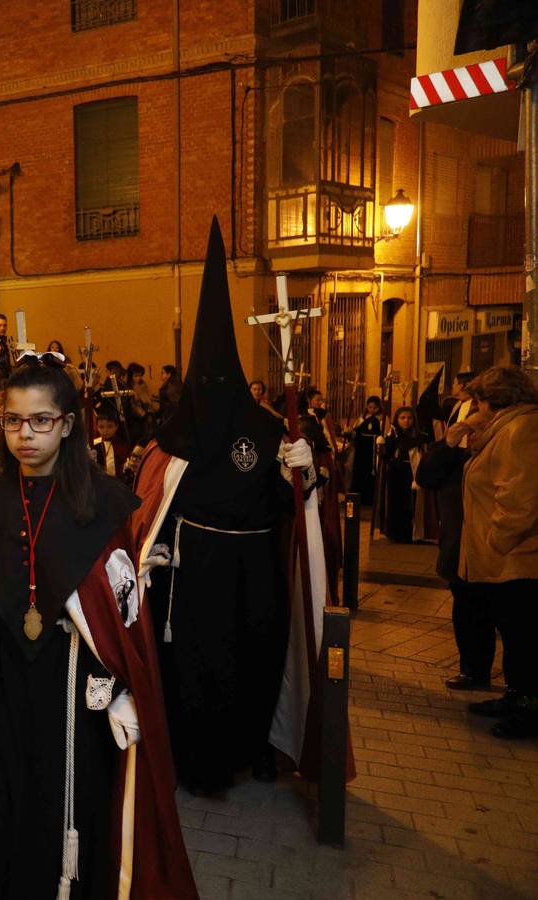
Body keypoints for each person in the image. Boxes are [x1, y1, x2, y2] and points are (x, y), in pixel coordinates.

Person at [0, 354, 196, 899]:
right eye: (14, 421)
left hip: (74, 690)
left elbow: (118, 611)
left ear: (67, 424)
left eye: (41, 420)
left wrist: (115, 686)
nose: (26, 434)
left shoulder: (104, 502)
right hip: (4, 684)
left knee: (70, 801)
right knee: (5, 797)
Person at [131, 220, 318, 792]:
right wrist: (149, 557)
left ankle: (253, 749)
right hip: (190, 579)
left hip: (255, 572)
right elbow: (149, 509)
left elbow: (293, 507)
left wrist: (304, 474)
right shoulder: (175, 435)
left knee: (255, 659)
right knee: (196, 668)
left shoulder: (265, 431)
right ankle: (197, 760)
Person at [457, 367, 538, 739]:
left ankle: (529, 708)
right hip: (502, 558)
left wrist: (494, 539)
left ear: (495, 400)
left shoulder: (522, 429)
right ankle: (516, 696)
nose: (476, 407)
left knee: (523, 636)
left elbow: (520, 499)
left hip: (516, 558)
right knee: (513, 630)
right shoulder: (504, 428)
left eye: (479, 400)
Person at [416, 408, 494, 692]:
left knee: (502, 618)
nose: (472, 436)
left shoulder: (501, 454)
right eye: (468, 431)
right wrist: (447, 443)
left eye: (478, 430)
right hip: (460, 549)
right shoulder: (456, 458)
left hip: (493, 549)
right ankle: (473, 671)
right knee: (466, 612)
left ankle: (519, 690)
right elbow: (425, 477)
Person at [376, 407, 427, 543]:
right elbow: (386, 456)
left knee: (409, 503)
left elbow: (420, 455)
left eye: (409, 418)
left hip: (411, 472)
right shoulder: (392, 435)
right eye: (402, 418)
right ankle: (394, 532)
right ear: (397, 419)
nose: (406, 421)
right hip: (395, 473)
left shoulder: (418, 436)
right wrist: (382, 445)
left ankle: (409, 533)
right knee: (394, 502)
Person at [345, 396, 384, 500]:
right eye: (370, 407)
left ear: (379, 407)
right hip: (361, 450)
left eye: (375, 407)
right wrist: (348, 433)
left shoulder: (382, 419)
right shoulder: (362, 418)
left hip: (373, 450)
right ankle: (358, 497)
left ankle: (371, 498)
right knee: (359, 473)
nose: (372, 410)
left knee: (372, 473)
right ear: (367, 407)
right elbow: (354, 432)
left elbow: (385, 434)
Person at [91, 406, 131, 482]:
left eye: (110, 426)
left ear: (116, 426)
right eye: (101, 427)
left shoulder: (121, 445)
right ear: (97, 427)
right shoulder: (94, 444)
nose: (105, 430)